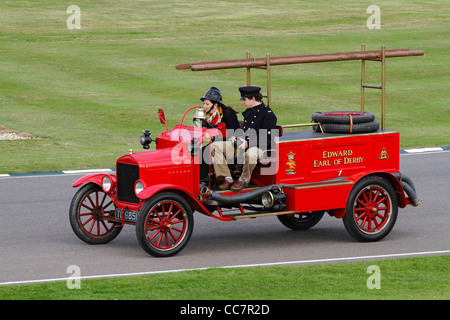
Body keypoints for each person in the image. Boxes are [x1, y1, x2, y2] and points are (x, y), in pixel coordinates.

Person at [212, 86, 277, 191]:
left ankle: (243, 179)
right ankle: (227, 178)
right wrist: (236, 137)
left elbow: (268, 139)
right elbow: (246, 131)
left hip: (261, 148)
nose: (242, 102)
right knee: (215, 146)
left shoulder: (268, 114)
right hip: (243, 145)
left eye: (244, 99)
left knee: (250, 154)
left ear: (253, 98)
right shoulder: (250, 111)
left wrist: (248, 143)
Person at [199, 87, 240, 183]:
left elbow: (233, 134)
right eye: (204, 103)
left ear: (215, 105)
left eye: (207, 104)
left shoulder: (228, 114)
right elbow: (203, 131)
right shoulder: (207, 116)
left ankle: (203, 178)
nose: (204, 106)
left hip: (233, 144)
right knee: (199, 151)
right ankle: (202, 176)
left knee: (207, 151)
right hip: (217, 142)